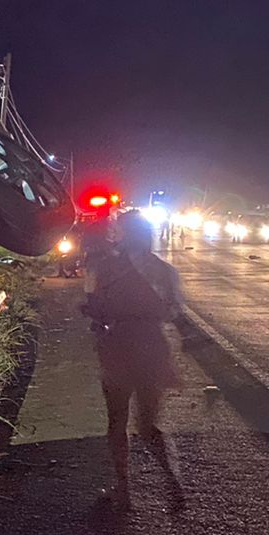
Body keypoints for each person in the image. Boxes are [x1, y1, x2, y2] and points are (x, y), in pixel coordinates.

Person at [81, 210, 184, 511]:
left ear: (122, 234)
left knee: (117, 421)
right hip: (152, 349)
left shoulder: (105, 267)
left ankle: (123, 487)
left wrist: (99, 316)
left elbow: (95, 308)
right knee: (149, 424)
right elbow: (173, 311)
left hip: (118, 349)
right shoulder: (165, 270)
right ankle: (172, 481)